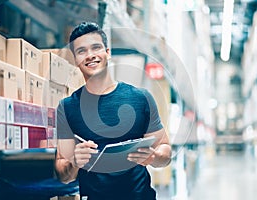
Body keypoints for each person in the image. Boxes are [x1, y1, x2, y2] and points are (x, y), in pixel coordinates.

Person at [55, 21, 171, 200]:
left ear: (107, 53)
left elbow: (165, 151)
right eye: (81, 51)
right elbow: (63, 175)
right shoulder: (67, 107)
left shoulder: (140, 98)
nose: (90, 55)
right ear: (75, 59)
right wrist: (74, 163)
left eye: (96, 48)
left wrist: (154, 157)